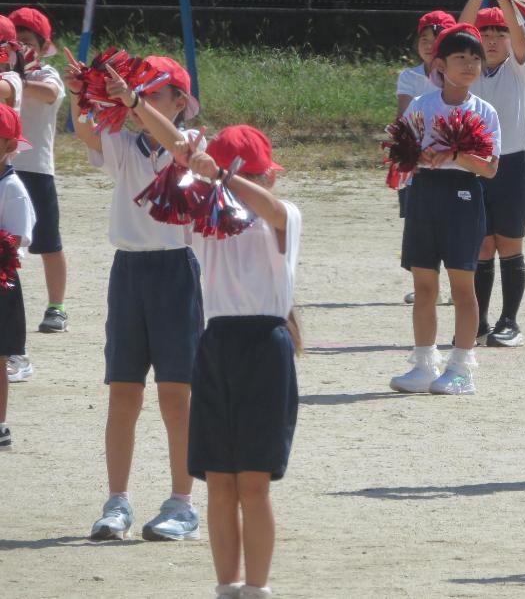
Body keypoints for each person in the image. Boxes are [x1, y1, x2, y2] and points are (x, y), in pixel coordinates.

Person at [121, 92, 301, 598]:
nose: (269, 180)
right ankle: (227, 587)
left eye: (262, 175)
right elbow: (176, 144)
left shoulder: (282, 213)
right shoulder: (205, 219)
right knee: (220, 482)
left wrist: (222, 176)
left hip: (265, 346)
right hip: (217, 342)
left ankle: (258, 588)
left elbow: (266, 206)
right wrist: (134, 101)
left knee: (254, 484)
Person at [64, 49, 204, 542]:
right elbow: (85, 130)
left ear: (181, 100)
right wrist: (83, 93)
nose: (140, 101)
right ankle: (117, 501)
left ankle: (182, 504)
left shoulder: (191, 143)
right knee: (123, 392)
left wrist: (135, 101)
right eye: (136, 90)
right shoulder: (125, 145)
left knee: (176, 399)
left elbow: (178, 143)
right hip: (129, 272)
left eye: (154, 92)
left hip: (176, 273)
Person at [388, 23, 500, 396]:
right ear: (440, 64)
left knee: (462, 286)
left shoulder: (485, 111)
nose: (468, 65)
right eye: (459, 58)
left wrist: (455, 154)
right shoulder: (422, 105)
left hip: (463, 197)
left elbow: (489, 167)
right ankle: (424, 364)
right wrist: (418, 154)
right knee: (423, 286)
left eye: (474, 58)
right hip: (424, 194)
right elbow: (400, 154)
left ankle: (461, 368)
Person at [459, 0, 525, 347]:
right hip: (474, 165)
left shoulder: (518, 68)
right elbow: (458, 33)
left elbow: (520, 34)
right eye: (485, 32)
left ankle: (510, 320)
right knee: (482, 244)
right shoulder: (466, 71)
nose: (491, 38)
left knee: (510, 243)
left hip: (512, 164)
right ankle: (481, 320)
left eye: (498, 32)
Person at [9, 7, 68, 337]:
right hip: (7, 167)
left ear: (45, 47)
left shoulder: (46, 74)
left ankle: (56, 306)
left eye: (27, 41)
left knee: (48, 243)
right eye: (13, 41)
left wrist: (18, 77)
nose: (21, 47)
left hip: (36, 170)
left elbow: (48, 95)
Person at [396, 10, 455, 304]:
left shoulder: (459, 75)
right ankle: (428, 284)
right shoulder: (409, 77)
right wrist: (416, 154)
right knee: (420, 224)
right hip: (419, 158)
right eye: (424, 39)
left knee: (453, 224)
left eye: (436, 39)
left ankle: (456, 283)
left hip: (452, 159)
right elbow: (404, 117)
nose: (429, 45)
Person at [0, 104, 36, 452]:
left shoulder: (13, 188)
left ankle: (0, 425)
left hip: (1, 282)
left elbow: (19, 239)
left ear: (10, 145)